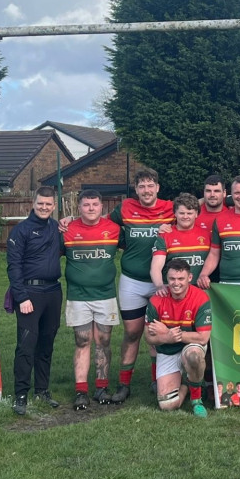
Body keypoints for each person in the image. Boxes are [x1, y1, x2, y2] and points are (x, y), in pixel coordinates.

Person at [102, 168, 174, 403]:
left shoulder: (170, 208)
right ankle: (124, 384)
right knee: (132, 333)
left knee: (157, 332)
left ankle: (156, 380)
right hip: (132, 280)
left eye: (150, 185)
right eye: (141, 186)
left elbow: (196, 208)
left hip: (161, 283)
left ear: (158, 188)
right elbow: (103, 225)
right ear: (136, 189)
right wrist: (69, 221)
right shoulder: (125, 208)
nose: (146, 190)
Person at [7, 186, 64, 415]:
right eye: (41, 203)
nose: (44, 207)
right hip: (30, 294)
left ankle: (42, 390)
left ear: (54, 205)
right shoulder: (20, 231)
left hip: (53, 292)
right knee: (26, 345)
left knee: (46, 344)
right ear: (33, 202)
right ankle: (21, 394)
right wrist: (21, 297)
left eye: (48, 204)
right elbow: (13, 266)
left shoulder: (56, 227)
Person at [63, 189, 122, 410]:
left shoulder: (114, 230)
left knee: (103, 341)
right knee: (82, 340)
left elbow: (135, 247)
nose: (90, 208)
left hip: (105, 295)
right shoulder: (67, 229)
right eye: (86, 205)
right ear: (79, 207)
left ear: (101, 207)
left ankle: (101, 387)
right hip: (78, 296)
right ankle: (81, 391)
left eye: (94, 205)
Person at [143, 258, 211, 417]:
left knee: (193, 356)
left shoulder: (200, 298)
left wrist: (169, 332)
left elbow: (202, 338)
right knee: (167, 405)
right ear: (167, 278)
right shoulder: (156, 300)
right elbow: (148, 338)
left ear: (189, 278)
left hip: (191, 345)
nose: (176, 283)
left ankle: (196, 400)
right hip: (167, 350)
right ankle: (188, 384)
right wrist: (168, 338)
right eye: (172, 279)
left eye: (181, 279)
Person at [150, 193, 211, 287]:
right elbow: (156, 267)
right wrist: (159, 287)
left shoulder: (207, 235)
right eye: (182, 213)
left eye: (189, 213)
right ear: (175, 213)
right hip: (174, 291)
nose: (185, 216)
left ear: (196, 214)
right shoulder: (165, 235)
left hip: (200, 291)